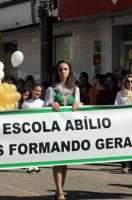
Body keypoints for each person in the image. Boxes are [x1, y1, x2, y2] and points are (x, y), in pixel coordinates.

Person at [44, 60, 82, 200]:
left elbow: (79, 105)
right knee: (57, 159)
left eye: (65, 69)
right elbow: (43, 108)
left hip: (69, 129)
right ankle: (59, 191)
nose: (63, 72)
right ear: (57, 71)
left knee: (64, 161)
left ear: (69, 71)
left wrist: (79, 104)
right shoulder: (51, 89)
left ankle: (60, 190)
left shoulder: (75, 89)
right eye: (60, 69)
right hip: (56, 129)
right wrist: (50, 104)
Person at [115, 74, 132, 174]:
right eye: (128, 81)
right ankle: (125, 164)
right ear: (125, 82)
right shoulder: (120, 94)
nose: (130, 83)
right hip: (124, 122)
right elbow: (115, 107)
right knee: (125, 143)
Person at [22, 83, 44, 174]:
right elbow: (21, 116)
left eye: (40, 91)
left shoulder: (43, 103)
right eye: (36, 90)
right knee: (29, 147)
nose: (38, 92)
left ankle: (36, 165)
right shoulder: (26, 103)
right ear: (32, 91)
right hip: (28, 129)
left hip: (39, 129)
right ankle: (30, 166)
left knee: (36, 148)